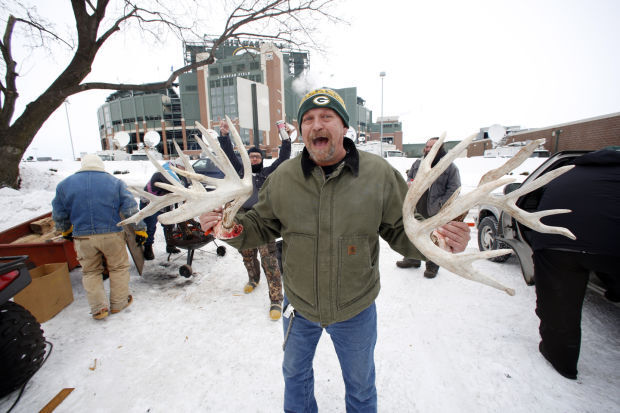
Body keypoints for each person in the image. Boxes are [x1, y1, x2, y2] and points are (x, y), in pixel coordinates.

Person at [199, 88, 470, 412]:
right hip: (298, 306)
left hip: (355, 309)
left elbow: (402, 230)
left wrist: (438, 241)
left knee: (360, 388)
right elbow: (261, 223)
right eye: (309, 119)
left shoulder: (378, 175)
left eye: (327, 117)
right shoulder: (284, 178)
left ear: (344, 126)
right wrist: (230, 227)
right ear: (302, 131)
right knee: (296, 379)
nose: (317, 124)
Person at [529, 148, 620, 380]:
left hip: (557, 245)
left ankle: (562, 361)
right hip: (611, 245)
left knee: (558, 306)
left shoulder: (566, 174)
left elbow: (535, 206)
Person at [52, 154, 147, 320]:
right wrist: (140, 230)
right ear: (100, 166)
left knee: (90, 271)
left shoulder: (64, 186)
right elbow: (131, 209)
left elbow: (59, 214)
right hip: (112, 235)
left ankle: (98, 308)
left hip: (82, 237)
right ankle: (119, 303)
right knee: (118, 268)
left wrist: (65, 231)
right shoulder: (116, 183)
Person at [216, 118, 291, 320]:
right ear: (248, 160)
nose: (255, 158)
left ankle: (276, 299)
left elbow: (284, 159)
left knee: (270, 260)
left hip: (263, 222)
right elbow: (230, 155)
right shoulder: (241, 172)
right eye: (252, 157)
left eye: (258, 156)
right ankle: (253, 278)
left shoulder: (268, 173)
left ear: (262, 159)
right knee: (248, 256)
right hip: (242, 220)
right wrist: (224, 136)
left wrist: (286, 140)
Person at [395, 137, 461, 278]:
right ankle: (412, 259)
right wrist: (409, 184)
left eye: (432, 147)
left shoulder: (449, 167)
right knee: (414, 233)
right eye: (427, 147)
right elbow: (410, 178)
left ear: (440, 148)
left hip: (435, 209)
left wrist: (441, 204)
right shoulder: (418, 163)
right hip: (417, 205)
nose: (429, 149)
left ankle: (432, 265)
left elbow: (455, 189)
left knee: (434, 237)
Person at [140, 158, 188, 260]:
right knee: (150, 225)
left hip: (165, 202)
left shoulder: (178, 174)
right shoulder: (164, 172)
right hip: (150, 202)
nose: (185, 171)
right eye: (183, 168)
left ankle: (170, 245)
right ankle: (148, 247)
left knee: (169, 223)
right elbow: (176, 187)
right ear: (178, 166)